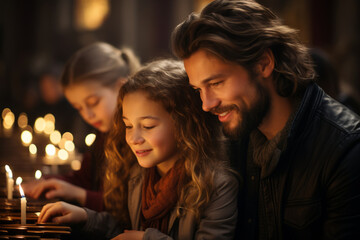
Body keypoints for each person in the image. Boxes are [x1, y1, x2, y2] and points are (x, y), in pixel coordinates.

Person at [171, 0, 360, 239]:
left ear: (263, 63)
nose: (207, 104)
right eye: (198, 89)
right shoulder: (230, 137)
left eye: (216, 83)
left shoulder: (345, 149)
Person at [37, 59, 239, 240]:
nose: (133, 139)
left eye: (148, 126)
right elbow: (125, 229)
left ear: (185, 125)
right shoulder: (139, 174)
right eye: (128, 126)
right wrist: (85, 217)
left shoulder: (217, 186)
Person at [23, 42, 141, 211]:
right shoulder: (103, 134)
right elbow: (85, 178)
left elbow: (126, 209)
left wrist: (79, 194)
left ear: (121, 87)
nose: (87, 114)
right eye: (78, 108)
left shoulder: (136, 137)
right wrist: (48, 182)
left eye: (93, 102)